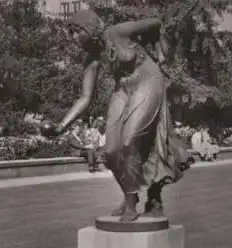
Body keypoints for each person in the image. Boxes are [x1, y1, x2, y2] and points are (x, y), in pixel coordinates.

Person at [41, 9, 189, 221]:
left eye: (75, 32)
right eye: (71, 33)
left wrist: (160, 50)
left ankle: (133, 204)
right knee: (110, 152)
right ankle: (130, 196)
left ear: (89, 28)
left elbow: (155, 22)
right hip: (123, 88)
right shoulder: (91, 59)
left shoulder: (120, 32)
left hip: (148, 78)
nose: (73, 38)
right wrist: (60, 126)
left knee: (130, 141)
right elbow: (85, 98)